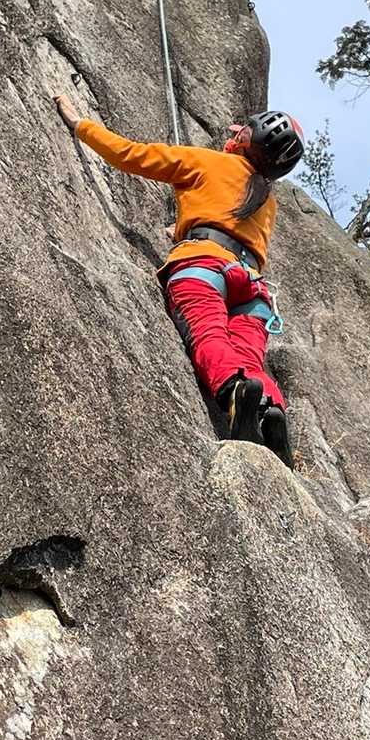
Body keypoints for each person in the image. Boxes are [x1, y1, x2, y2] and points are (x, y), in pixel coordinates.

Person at [53, 91, 304, 467]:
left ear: (246, 138)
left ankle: (235, 394)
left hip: (203, 268)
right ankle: (271, 414)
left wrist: (80, 125)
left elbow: (130, 154)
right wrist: (185, 226)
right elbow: (227, 221)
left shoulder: (208, 161)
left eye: (243, 129)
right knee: (250, 357)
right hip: (252, 288)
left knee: (209, 336)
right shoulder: (267, 200)